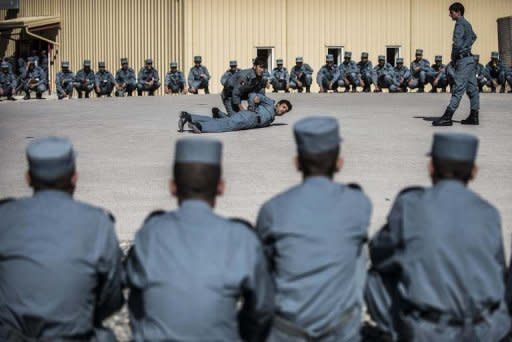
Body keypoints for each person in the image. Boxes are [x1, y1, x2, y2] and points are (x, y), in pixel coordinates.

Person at [365, 132, 511, 341]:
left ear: (431, 167)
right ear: (474, 171)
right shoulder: (489, 213)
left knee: (374, 278)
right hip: (483, 329)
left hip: (429, 330)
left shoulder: (411, 206)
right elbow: (498, 272)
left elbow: (379, 253)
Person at [125, 137, 274, 341]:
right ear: (221, 187)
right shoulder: (241, 238)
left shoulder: (149, 234)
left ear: (172, 187)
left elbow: (132, 297)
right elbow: (262, 308)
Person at [256, 116, 371, 341]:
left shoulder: (273, 209)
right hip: (340, 329)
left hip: (286, 330)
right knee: (359, 253)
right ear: (339, 162)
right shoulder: (358, 204)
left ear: (297, 162)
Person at [0, 137, 124, 341]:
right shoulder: (97, 223)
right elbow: (112, 298)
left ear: (28, 178)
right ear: (74, 177)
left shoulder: (4, 217)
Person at [432, 3, 479, 126]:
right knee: (472, 89)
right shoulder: (467, 24)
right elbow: (474, 37)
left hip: (463, 61)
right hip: (470, 60)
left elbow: (457, 44)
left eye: (451, 12)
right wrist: (467, 47)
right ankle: (474, 116)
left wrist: (455, 57)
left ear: (458, 12)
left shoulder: (459, 24)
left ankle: (448, 116)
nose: (450, 15)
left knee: (457, 88)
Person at [180, 94, 291, 133]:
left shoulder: (272, 118)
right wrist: (252, 105)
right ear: (278, 104)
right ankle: (200, 126)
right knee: (227, 125)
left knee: (223, 121)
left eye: (285, 111)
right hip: (251, 117)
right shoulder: (270, 103)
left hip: (249, 122)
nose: (283, 111)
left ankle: (190, 117)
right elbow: (254, 95)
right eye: (283, 107)